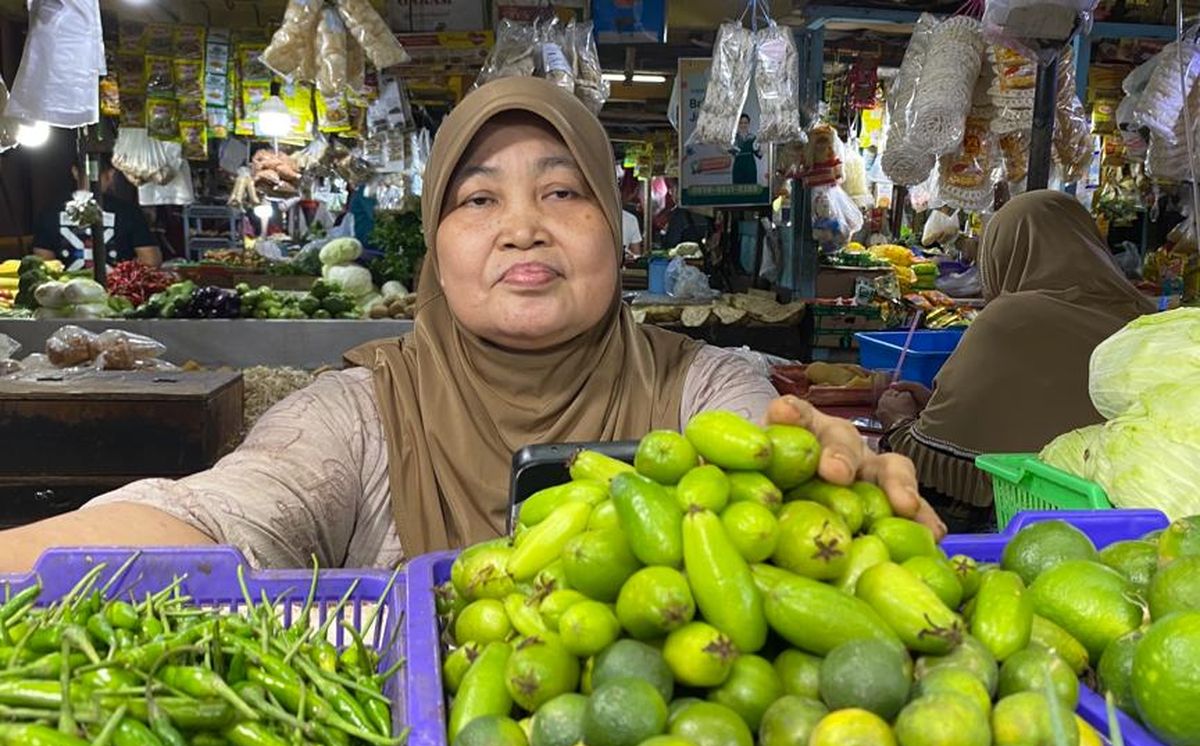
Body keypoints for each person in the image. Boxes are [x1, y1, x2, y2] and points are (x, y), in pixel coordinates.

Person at [3, 77, 941, 571]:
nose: (523, 226)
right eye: (478, 198)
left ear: (616, 233)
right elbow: (217, 515)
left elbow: (762, 475)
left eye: (563, 190)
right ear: (436, 251)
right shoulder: (363, 413)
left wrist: (824, 485)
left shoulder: (700, 386)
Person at [876, 190, 1156, 530]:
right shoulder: (1147, 318)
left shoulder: (1010, 318)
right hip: (1138, 522)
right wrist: (939, 406)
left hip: (1030, 529)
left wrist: (899, 421)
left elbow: (932, 458)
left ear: (1002, 253)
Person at [32, 158, 163, 268]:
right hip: (118, 294)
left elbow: (43, 265)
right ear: (110, 175)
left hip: (64, 295)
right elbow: (150, 262)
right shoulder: (129, 212)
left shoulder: (50, 212)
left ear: (75, 172)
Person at [730, 114, 762, 186]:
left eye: (745, 123)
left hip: (750, 165)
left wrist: (761, 148)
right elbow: (729, 152)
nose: (743, 125)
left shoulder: (753, 137)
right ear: (738, 124)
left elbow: (759, 155)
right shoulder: (734, 138)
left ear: (748, 124)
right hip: (738, 166)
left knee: (751, 188)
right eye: (741, 123)